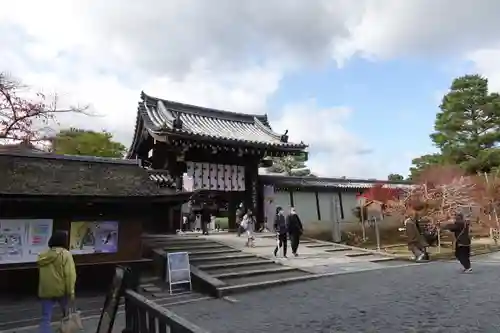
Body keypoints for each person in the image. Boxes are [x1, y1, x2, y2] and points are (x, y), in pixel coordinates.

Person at [38, 230, 77, 333]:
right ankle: (66, 330)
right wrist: (71, 292)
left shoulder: (43, 255)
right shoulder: (66, 255)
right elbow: (70, 275)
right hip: (62, 290)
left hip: (46, 290)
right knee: (67, 315)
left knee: (45, 317)